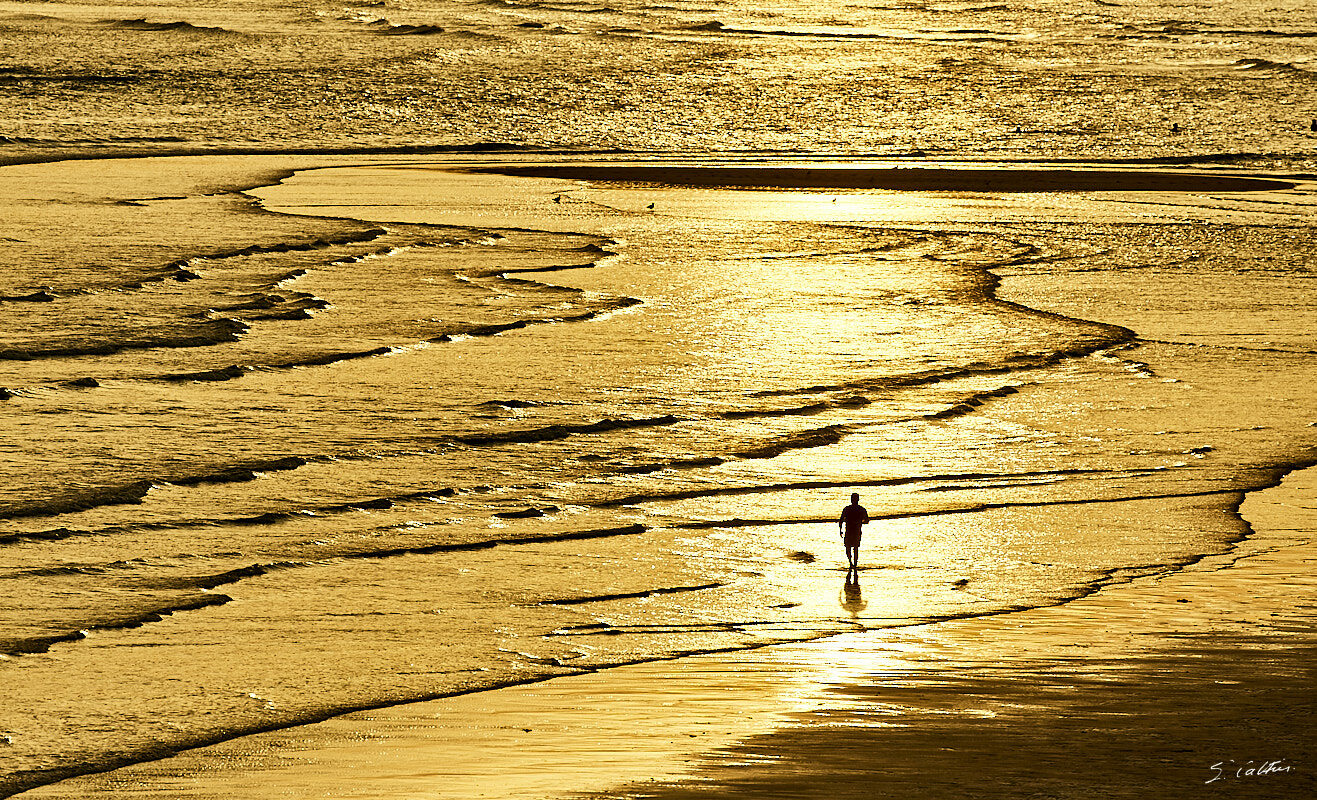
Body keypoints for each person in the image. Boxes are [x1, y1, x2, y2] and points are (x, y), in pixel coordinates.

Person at [838, 492, 869, 569]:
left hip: (851, 531)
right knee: (854, 547)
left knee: (851, 547)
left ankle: (852, 563)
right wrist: (859, 522)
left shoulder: (848, 509)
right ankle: (853, 563)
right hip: (854, 531)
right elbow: (867, 520)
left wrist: (840, 530)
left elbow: (841, 520)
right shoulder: (860, 509)